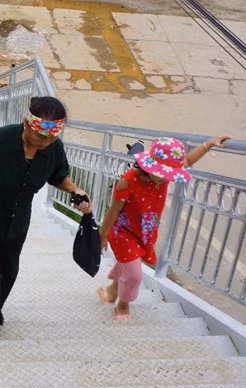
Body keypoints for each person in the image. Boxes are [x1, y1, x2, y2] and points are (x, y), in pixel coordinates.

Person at [0, 96, 92, 340]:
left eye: (52, 137)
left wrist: (77, 191)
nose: (46, 142)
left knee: (9, 271)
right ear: (27, 124)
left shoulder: (53, 147)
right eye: (41, 137)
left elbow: (58, 178)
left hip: (17, 220)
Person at [97, 135, 230, 319]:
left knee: (129, 264)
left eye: (166, 174)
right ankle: (122, 305)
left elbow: (189, 160)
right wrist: (102, 236)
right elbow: (112, 212)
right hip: (123, 233)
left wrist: (208, 145)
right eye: (159, 172)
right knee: (135, 275)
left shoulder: (164, 176)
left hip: (144, 232)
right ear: (148, 165)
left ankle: (110, 292)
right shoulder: (127, 181)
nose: (162, 179)